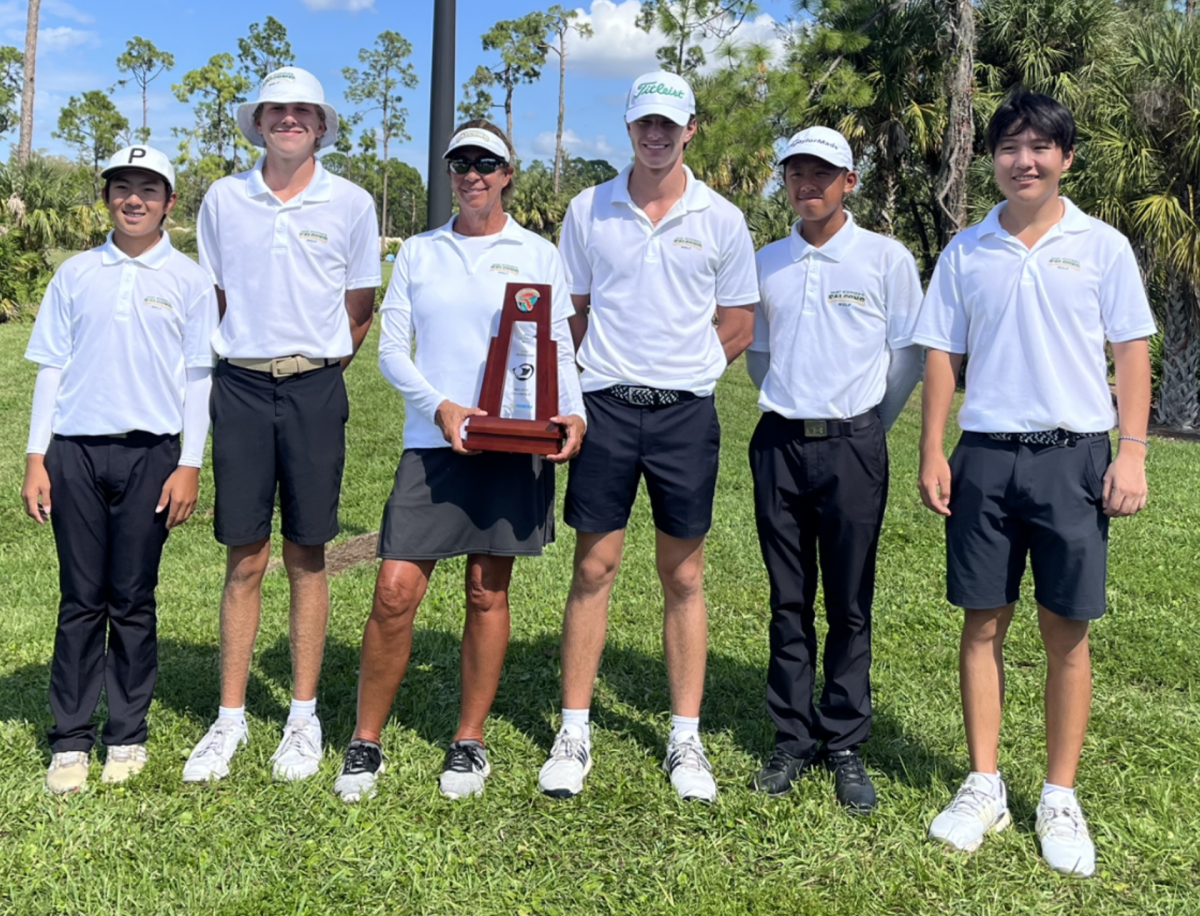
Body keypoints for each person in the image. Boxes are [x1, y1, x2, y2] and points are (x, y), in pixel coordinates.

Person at [912, 92, 1154, 877]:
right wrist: (933, 448)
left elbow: (1130, 352)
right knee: (982, 623)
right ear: (993, 158)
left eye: (1042, 147)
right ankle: (984, 783)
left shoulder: (1104, 246)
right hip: (984, 455)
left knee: (1066, 631)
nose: (1026, 160)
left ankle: (1058, 793)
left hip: (1074, 457)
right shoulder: (966, 250)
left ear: (1066, 159)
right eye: (1011, 147)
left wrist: (1133, 452)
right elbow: (942, 355)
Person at [332, 121, 586, 803]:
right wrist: (442, 408)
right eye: (460, 162)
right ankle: (366, 740)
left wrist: (574, 410)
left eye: (486, 163)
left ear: (507, 173)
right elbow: (391, 352)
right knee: (394, 592)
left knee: (486, 590)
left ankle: (469, 741)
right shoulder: (419, 251)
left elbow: (557, 342)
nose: (472, 173)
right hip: (434, 442)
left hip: (513, 443)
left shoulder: (538, 253)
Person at [537, 71, 759, 803]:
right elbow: (570, 307)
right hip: (604, 408)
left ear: (690, 128)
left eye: (670, 124)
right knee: (594, 568)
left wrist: (691, 367)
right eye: (644, 125)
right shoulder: (588, 209)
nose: (657, 136)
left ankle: (685, 738)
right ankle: (574, 728)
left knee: (684, 575)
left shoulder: (721, 217)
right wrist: (584, 377)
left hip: (683, 416)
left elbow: (738, 321)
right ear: (628, 129)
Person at [183, 67, 381, 783]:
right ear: (259, 122)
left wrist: (314, 369)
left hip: (314, 389)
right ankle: (229, 718)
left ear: (321, 126)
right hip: (238, 384)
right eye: (277, 110)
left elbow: (360, 307)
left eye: (303, 111)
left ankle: (302, 716)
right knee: (244, 556)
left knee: (308, 553)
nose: (289, 120)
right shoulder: (224, 200)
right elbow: (212, 294)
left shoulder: (352, 203)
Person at [21, 146, 217, 793]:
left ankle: (126, 734)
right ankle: (71, 739)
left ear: (169, 202)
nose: (134, 200)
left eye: (148, 189)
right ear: (107, 197)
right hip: (74, 451)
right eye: (122, 188)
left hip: (152, 454)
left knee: (132, 599)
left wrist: (188, 463)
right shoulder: (77, 274)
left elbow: (197, 378)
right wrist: (35, 458)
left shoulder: (187, 279)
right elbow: (51, 365)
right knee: (81, 599)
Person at [744, 127, 923, 812]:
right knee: (787, 599)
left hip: (854, 444)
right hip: (780, 443)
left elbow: (906, 355)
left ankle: (843, 739)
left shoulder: (884, 257)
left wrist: (871, 424)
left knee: (849, 601)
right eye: (795, 172)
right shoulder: (768, 261)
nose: (807, 184)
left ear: (850, 181)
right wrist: (792, 403)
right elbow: (759, 354)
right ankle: (792, 735)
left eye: (823, 173)